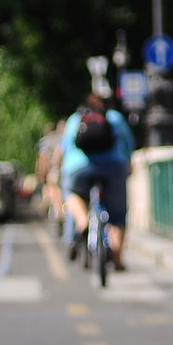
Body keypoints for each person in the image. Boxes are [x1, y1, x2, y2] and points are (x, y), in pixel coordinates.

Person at [60, 93, 137, 270]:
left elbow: (65, 147)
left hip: (80, 167)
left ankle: (82, 222)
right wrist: (127, 163)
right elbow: (129, 143)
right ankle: (117, 259)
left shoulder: (75, 119)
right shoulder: (114, 117)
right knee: (117, 214)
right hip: (113, 166)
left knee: (71, 193)